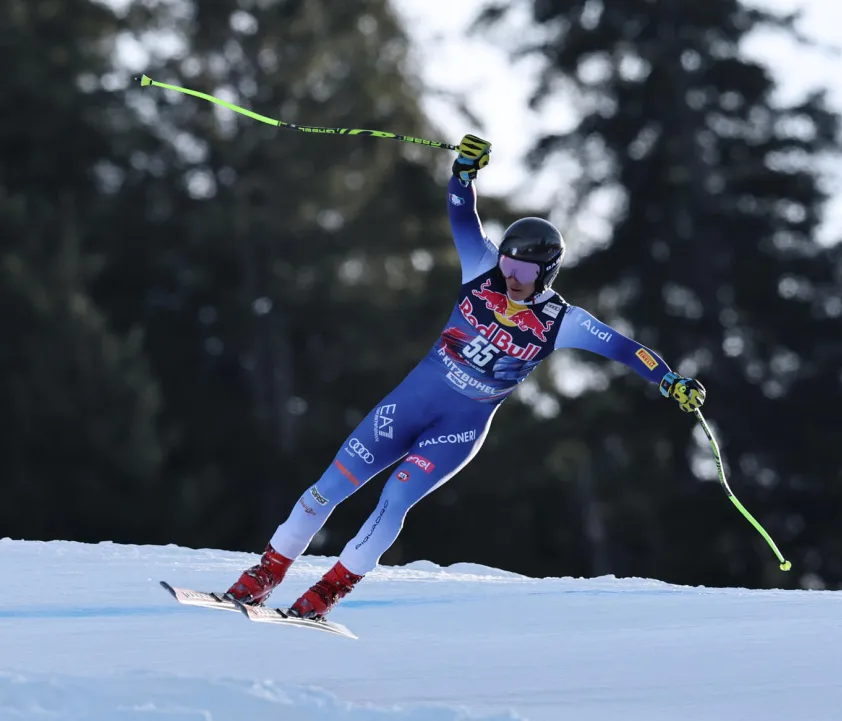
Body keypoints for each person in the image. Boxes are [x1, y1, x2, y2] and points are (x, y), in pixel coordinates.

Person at [223, 134, 707, 620]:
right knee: (327, 488)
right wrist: (463, 172)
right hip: (410, 404)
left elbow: (627, 349)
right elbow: (461, 215)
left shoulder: (564, 322)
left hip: (457, 429)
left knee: (392, 503)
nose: (511, 275)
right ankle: (263, 576)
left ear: (548, 272)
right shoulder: (481, 269)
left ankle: (325, 596)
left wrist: (668, 380)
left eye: (523, 269)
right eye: (507, 262)